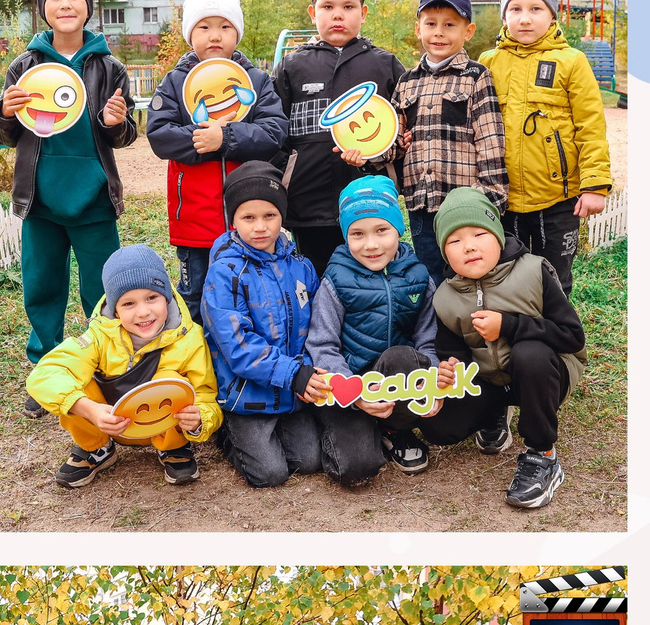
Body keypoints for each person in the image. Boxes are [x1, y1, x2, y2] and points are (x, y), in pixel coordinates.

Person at [0, 0, 135, 363]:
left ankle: (106, 359)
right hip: (40, 198)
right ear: (43, 9)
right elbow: (6, 133)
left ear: (88, 7)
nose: (65, 4)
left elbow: (125, 135)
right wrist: (5, 113)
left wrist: (115, 123)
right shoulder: (24, 66)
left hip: (93, 199)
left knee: (102, 285)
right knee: (42, 285)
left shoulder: (110, 67)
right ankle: (47, 363)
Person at [414, 186, 586, 511]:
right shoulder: (445, 297)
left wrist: (508, 325)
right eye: (454, 240)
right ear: (443, 251)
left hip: (543, 373)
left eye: (479, 233)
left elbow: (571, 336)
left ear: (497, 233)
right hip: (491, 380)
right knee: (438, 427)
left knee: (529, 352)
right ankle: (492, 414)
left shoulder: (534, 271)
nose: (469, 246)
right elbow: (456, 354)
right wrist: (448, 370)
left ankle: (542, 455)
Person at [26, 242, 221, 490]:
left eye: (152, 298)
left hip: (165, 426)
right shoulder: (98, 336)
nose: (142, 312)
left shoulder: (190, 337)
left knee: (174, 379)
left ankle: (174, 448)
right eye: (128, 304)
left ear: (168, 298)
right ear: (115, 310)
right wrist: (89, 409)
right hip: (107, 420)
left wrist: (199, 421)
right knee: (74, 381)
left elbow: (206, 395)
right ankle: (97, 448)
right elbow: (44, 374)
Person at [143, 0, 288, 319]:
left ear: (236, 33)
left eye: (225, 27)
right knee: (196, 297)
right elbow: (159, 134)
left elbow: (274, 131)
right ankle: (198, 366)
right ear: (189, 34)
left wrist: (226, 137)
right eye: (204, 27)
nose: (215, 36)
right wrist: (201, 139)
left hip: (250, 219)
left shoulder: (256, 81)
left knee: (253, 294)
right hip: (194, 220)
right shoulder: (176, 82)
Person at [483, 0, 612, 293]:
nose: (525, 18)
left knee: (553, 281)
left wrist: (594, 184)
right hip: (503, 197)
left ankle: (558, 342)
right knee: (504, 279)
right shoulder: (489, 61)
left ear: (553, 14)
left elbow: (591, 126)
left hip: (558, 198)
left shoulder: (572, 61)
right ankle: (515, 340)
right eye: (515, 9)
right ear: (504, 16)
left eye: (535, 9)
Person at [202, 162, 328, 489]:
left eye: (269, 216)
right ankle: (229, 436)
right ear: (233, 220)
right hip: (246, 394)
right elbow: (238, 346)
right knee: (270, 474)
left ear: (282, 217)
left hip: (292, 391)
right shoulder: (224, 273)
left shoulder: (301, 267)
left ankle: (280, 426)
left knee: (310, 461)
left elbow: (317, 327)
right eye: (249, 218)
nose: (260, 227)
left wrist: (306, 372)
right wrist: (293, 373)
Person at [303, 174, 435, 482]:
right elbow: (322, 346)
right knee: (356, 469)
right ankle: (344, 429)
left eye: (382, 230)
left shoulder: (418, 275)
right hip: (348, 388)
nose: (371, 244)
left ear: (398, 229)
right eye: (357, 234)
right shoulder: (335, 279)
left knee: (405, 356)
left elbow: (428, 342)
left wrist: (433, 380)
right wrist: (353, 392)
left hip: (394, 383)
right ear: (346, 237)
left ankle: (394, 429)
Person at [272, 0, 402, 275]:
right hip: (307, 203)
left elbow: (402, 131)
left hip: (369, 202)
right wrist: (280, 185)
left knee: (367, 282)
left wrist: (375, 160)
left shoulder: (384, 65)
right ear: (312, 13)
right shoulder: (292, 66)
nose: (338, 15)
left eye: (348, 7)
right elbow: (274, 133)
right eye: (328, 7)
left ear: (363, 12)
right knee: (315, 280)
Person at [392, 0, 508, 283]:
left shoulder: (476, 76)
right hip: (421, 203)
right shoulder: (406, 82)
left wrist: (490, 195)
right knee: (430, 277)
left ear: (467, 31)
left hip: (464, 204)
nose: (439, 32)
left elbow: (490, 138)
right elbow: (393, 140)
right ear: (418, 28)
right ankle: (436, 331)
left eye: (450, 25)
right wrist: (376, 148)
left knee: (471, 276)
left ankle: (471, 328)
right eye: (431, 24)